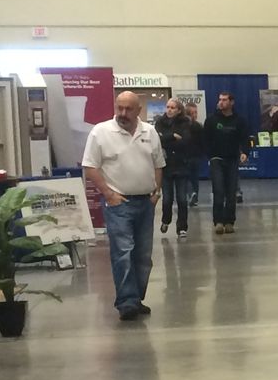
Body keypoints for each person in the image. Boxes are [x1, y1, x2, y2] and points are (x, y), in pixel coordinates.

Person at [82, 90, 164, 321]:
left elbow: (158, 163)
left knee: (143, 256)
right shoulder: (101, 132)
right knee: (123, 252)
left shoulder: (150, 132)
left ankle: (136, 298)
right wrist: (108, 194)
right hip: (118, 203)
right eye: (120, 108)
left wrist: (156, 191)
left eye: (129, 109)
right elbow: (90, 167)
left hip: (145, 202)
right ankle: (127, 302)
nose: (123, 113)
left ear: (139, 110)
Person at [202, 92, 250, 235]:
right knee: (218, 190)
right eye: (220, 100)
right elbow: (205, 139)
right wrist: (210, 155)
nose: (221, 102)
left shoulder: (239, 120)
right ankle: (218, 222)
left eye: (224, 100)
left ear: (231, 102)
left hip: (232, 159)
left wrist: (244, 152)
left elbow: (244, 138)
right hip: (217, 158)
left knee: (231, 192)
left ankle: (229, 221)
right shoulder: (211, 120)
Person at [157, 100, 204, 238]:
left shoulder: (185, 123)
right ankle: (166, 220)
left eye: (173, 108)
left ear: (178, 110)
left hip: (182, 164)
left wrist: (169, 142)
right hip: (166, 165)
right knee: (167, 199)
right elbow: (158, 139)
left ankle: (182, 227)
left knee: (182, 199)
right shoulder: (160, 122)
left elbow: (185, 140)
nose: (169, 110)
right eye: (168, 107)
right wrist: (172, 136)